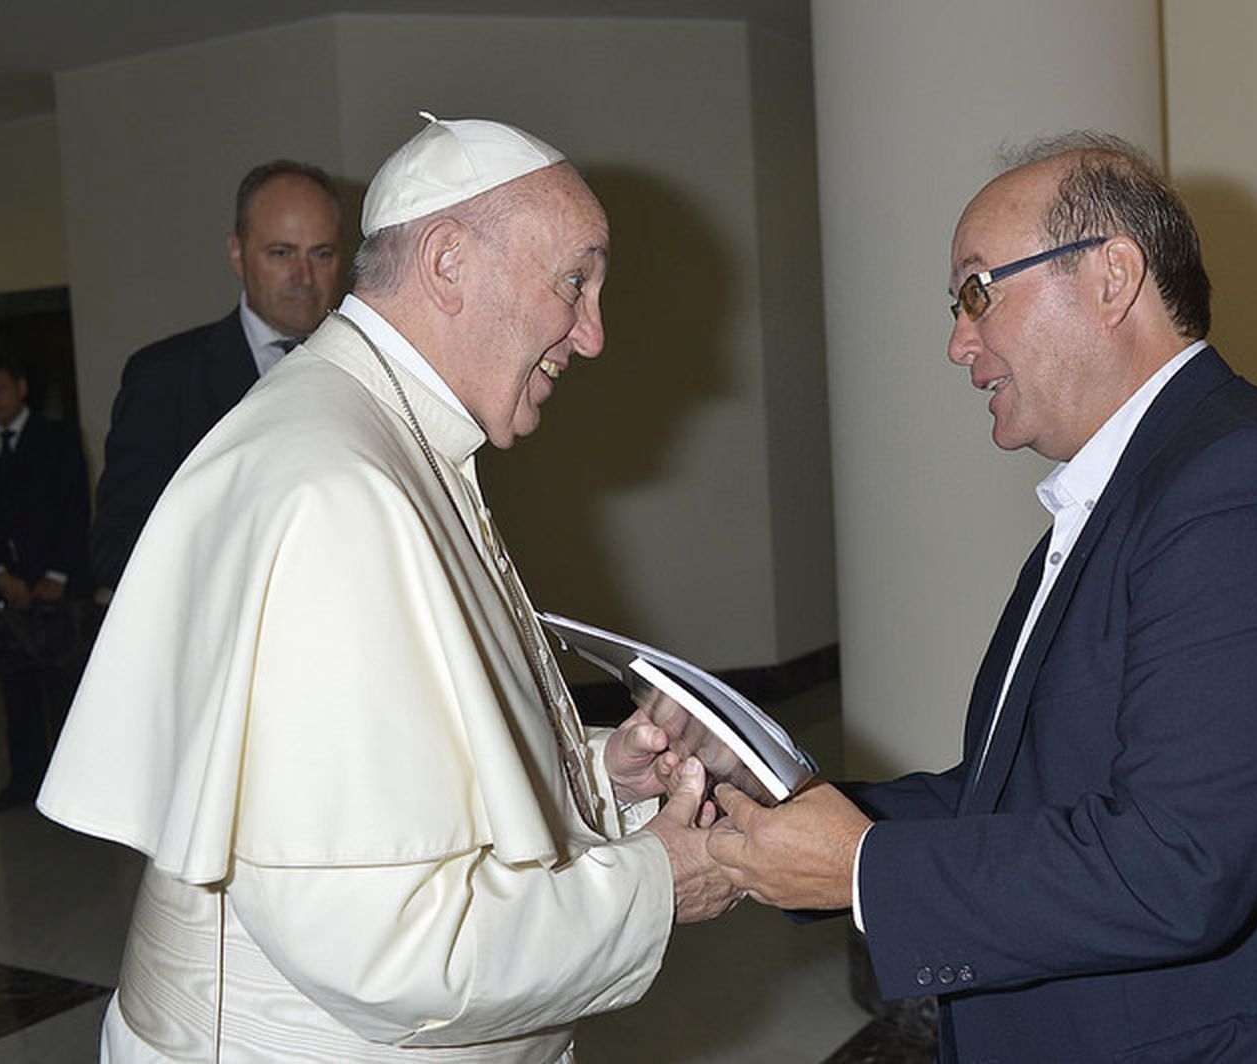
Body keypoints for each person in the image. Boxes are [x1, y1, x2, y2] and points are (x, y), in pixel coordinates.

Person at [708, 133, 1257, 1061]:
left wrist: (860, 868)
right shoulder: (1153, 483)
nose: (956, 341)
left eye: (979, 290)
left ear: (1112, 278)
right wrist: (785, 803)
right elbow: (1030, 798)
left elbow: (1179, 867)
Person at [39, 115, 737, 1061]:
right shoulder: (334, 487)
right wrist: (661, 884)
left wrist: (595, 781)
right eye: (574, 281)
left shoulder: (383, 433)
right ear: (448, 261)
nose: (594, 333)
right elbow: (397, 953)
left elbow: (421, 778)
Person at [88, 159, 343, 589]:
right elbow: (117, 553)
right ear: (237, 254)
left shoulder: (369, 375)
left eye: (322, 254)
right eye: (281, 253)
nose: (304, 277)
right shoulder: (163, 380)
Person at [0, 349, 92, 813]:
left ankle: (71, 790)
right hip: (6, 591)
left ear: (20, 388)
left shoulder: (56, 438)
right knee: (14, 694)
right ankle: (24, 783)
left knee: (62, 691)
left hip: (56, 587)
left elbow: (75, 507)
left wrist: (57, 575)